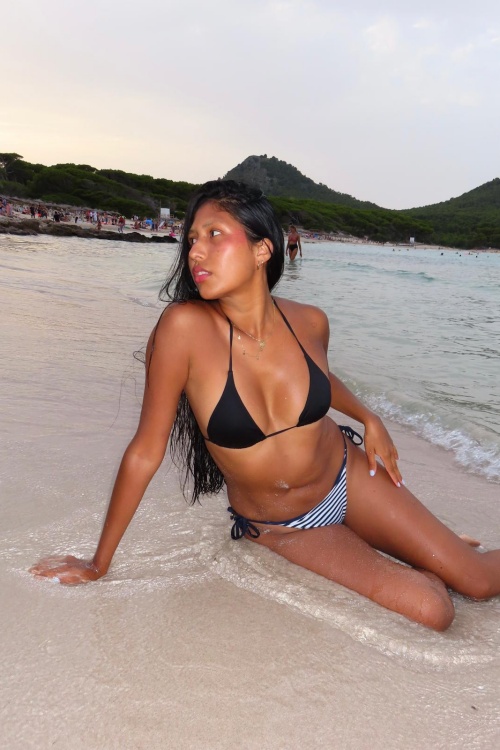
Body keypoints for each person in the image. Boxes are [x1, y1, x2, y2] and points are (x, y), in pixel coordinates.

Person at [30, 180, 500, 631]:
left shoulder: (310, 321)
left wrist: (368, 417)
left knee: (477, 581)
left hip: (348, 475)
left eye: (214, 235)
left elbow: (317, 377)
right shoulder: (182, 330)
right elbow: (144, 451)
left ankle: (433, 551)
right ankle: (422, 556)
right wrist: (98, 563)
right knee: (432, 608)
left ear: (262, 250)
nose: (195, 251)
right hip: (285, 524)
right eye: (192, 239)